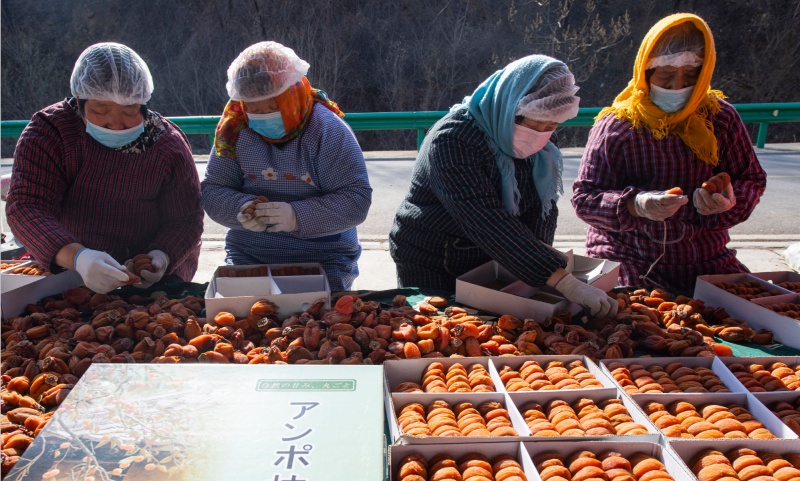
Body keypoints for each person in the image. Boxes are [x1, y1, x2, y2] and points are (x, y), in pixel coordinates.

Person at [390, 55, 618, 318]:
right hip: (434, 256)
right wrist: (561, 279)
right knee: (441, 327)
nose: (543, 133)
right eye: (534, 123)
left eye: (552, 125)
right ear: (509, 106)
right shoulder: (451, 141)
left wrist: (540, 261)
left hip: (500, 255)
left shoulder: (539, 140)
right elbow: (486, 219)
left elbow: (540, 206)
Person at [572, 13, 767, 293]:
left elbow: (750, 178)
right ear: (646, 73)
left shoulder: (720, 118)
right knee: (638, 322)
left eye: (690, 77)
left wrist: (729, 201)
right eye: (666, 76)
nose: (677, 87)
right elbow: (585, 198)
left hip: (705, 255)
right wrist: (635, 204)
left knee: (748, 315)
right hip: (628, 256)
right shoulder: (618, 125)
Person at [6, 42, 203, 294]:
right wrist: (78, 257)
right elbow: (27, 206)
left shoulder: (166, 143)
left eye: (129, 110)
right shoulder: (51, 132)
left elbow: (186, 217)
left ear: (143, 103)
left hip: (152, 279)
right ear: (79, 101)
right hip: (68, 272)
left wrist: (161, 255)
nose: (116, 123)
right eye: (100, 109)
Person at [201, 42, 371, 292]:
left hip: (324, 257)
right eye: (254, 109)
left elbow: (355, 200)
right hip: (251, 255)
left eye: (273, 107)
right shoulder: (234, 130)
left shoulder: (328, 131)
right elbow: (214, 189)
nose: (263, 116)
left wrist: (296, 216)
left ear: (293, 93)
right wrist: (241, 209)